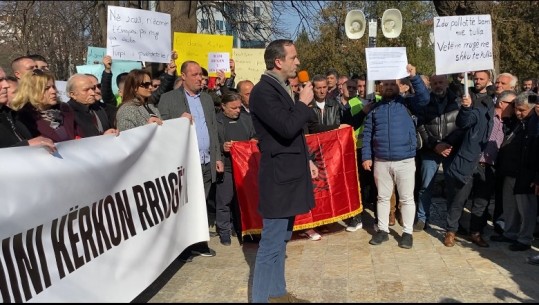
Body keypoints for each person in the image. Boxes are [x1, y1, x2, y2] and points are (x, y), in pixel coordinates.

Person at [250, 39, 317, 303]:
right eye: (293, 58)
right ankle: (260, 299)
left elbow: (296, 131)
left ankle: (277, 295)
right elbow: (286, 127)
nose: (298, 62)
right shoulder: (263, 92)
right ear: (278, 61)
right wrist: (302, 103)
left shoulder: (281, 88)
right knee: (270, 244)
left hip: (290, 173)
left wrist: (307, 159)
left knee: (282, 241)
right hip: (278, 179)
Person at [158, 60, 223, 262]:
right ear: (183, 77)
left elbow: (213, 129)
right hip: (184, 162)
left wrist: (217, 157)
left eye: (201, 75)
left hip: (205, 161)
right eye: (194, 75)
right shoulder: (168, 99)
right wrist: (178, 120)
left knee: (201, 204)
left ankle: (198, 242)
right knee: (184, 204)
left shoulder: (206, 99)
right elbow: (161, 129)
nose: (199, 78)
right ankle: (182, 246)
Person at [362, 64, 430, 249]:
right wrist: (366, 156)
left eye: (393, 84)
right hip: (381, 161)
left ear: (400, 86)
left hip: (405, 160)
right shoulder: (375, 108)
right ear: (381, 87)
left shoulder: (408, 103)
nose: (389, 87)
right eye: (386, 84)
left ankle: (407, 233)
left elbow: (424, 98)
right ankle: (382, 231)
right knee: (383, 198)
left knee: (406, 198)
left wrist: (414, 76)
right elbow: (367, 133)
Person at [442, 70, 497, 247]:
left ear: (489, 81)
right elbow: (464, 122)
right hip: (468, 158)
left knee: (481, 201)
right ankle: (451, 231)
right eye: (476, 78)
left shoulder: (493, 99)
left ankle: (476, 232)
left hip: (488, 161)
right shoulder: (469, 98)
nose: (478, 81)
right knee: (459, 198)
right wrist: (466, 108)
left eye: (482, 79)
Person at [413, 74, 462, 232]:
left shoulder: (458, 101)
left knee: (452, 187)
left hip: (451, 150)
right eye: (435, 83)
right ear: (431, 85)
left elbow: (462, 125)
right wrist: (435, 145)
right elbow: (420, 126)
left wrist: (448, 144)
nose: (438, 85)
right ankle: (422, 218)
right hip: (430, 150)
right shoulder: (424, 102)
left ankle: (452, 223)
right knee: (425, 186)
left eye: (441, 82)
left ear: (446, 83)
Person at [490, 91, 538, 251]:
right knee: (510, 206)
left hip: (525, 174)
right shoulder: (518, 122)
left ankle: (524, 239)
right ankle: (510, 232)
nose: (518, 113)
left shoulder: (534, 125)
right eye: (516, 108)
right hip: (510, 171)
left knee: (526, 209)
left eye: (522, 110)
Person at [215, 91, 257, 245]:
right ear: (223, 106)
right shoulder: (216, 121)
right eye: (233, 108)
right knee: (224, 200)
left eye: (239, 107)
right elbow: (210, 143)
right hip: (226, 167)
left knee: (243, 200)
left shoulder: (247, 119)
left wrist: (253, 140)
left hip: (244, 168)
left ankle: (243, 230)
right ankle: (224, 231)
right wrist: (221, 147)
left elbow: (256, 135)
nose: (237, 111)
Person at [11, 69, 79, 142]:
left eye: (53, 87)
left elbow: (77, 133)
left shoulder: (65, 109)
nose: (53, 91)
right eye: (46, 88)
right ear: (31, 91)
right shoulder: (22, 117)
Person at [0, 66, 56, 151]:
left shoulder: (11, 114)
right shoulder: (22, 113)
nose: (6, 85)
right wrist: (26, 145)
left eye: (5, 79)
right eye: (0, 80)